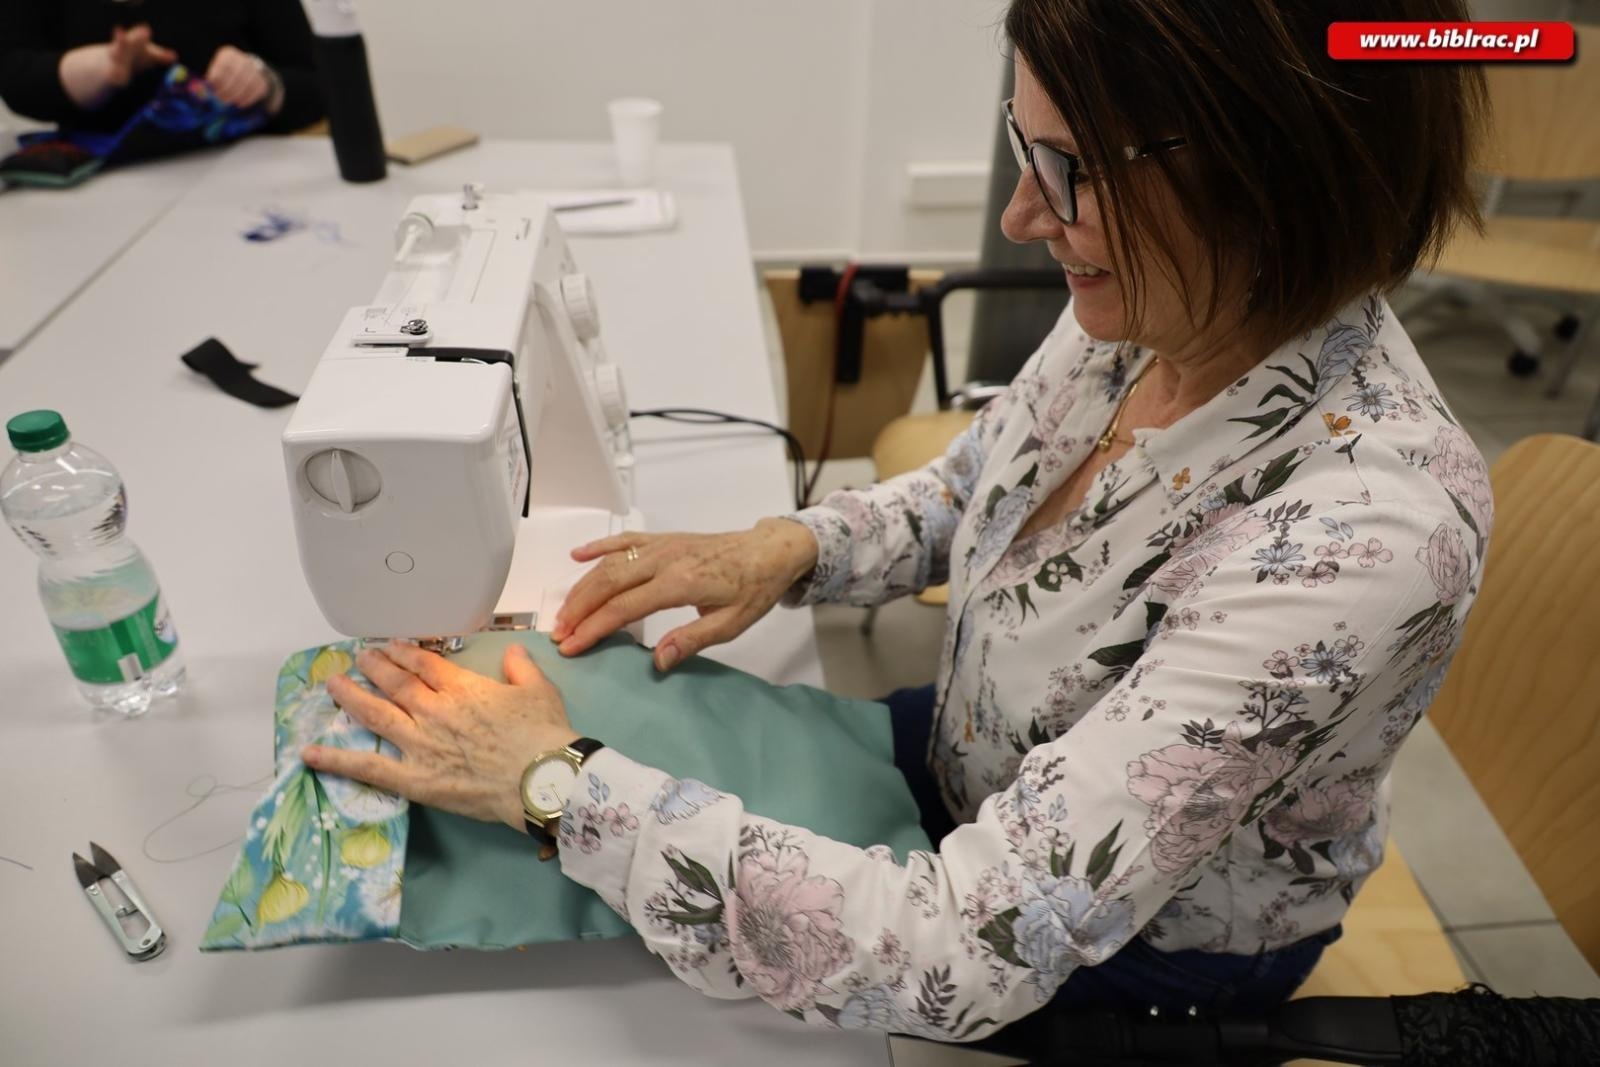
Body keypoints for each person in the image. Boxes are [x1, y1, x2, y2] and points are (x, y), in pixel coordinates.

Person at [301, 0, 1491, 1043]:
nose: (1027, 215)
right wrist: (793, 546)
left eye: (1069, 169)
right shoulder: (1165, 300)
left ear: (1269, 180)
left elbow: (963, 953)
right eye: (1023, 147)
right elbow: (984, 481)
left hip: (1144, 949)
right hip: (986, 753)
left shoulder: (1357, 536)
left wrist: (554, 790)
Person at [0, 0, 323, 135]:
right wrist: (88, 71)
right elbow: (15, 79)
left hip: (247, 190)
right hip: (91, 213)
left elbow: (322, 87)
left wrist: (265, 83)